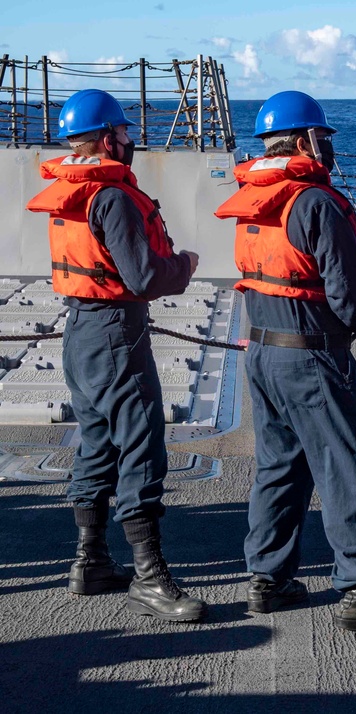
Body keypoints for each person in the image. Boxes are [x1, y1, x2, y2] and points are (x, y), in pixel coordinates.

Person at [214, 91, 356, 629]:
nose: (327, 150)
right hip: (312, 357)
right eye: (324, 139)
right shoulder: (317, 202)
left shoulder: (252, 199)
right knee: (345, 467)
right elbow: (347, 288)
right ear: (307, 140)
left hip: (261, 350)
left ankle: (269, 579)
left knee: (278, 468)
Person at [26, 89, 204, 622]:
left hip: (79, 331)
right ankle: (150, 579)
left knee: (97, 444)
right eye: (124, 133)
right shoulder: (113, 196)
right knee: (141, 448)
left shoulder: (69, 191)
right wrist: (186, 266)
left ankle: (91, 561)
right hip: (115, 334)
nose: (130, 141)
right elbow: (144, 276)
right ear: (108, 139)